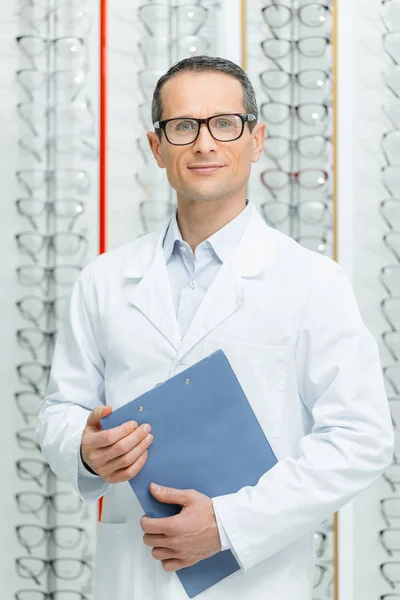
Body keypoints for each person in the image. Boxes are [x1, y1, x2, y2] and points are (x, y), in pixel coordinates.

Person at [37, 56, 394, 600]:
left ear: (257, 139)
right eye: (182, 127)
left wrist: (229, 525)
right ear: (157, 149)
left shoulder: (311, 281)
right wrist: (85, 451)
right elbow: (62, 411)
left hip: (257, 580)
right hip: (132, 575)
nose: (204, 144)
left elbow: (361, 438)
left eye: (224, 123)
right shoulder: (105, 280)